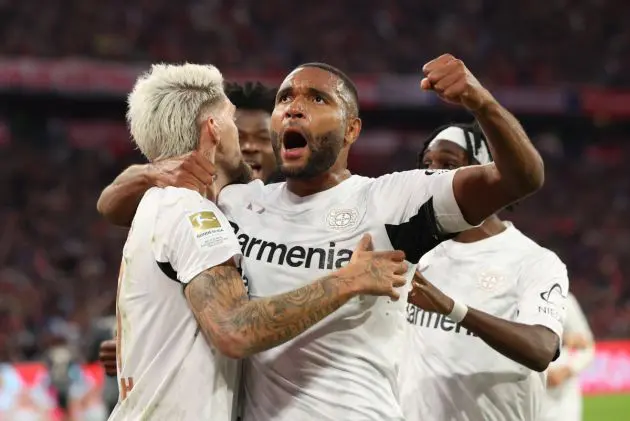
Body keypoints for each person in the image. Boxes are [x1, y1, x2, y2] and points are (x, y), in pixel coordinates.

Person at [97, 54, 546, 421]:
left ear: (351, 129)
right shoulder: (238, 204)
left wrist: (480, 102)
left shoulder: (391, 201)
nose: (294, 106)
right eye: (285, 97)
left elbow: (519, 179)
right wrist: (151, 171)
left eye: (316, 98)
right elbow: (114, 208)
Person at [107, 63, 409, 421]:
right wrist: (348, 280)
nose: (249, 139)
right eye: (233, 121)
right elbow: (236, 331)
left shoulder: (157, 202)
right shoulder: (193, 214)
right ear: (214, 129)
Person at [97, 81, 281, 381]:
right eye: (240, 134)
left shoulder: (284, 206)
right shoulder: (184, 199)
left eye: (262, 137)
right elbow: (108, 205)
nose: (249, 146)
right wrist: (150, 173)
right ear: (215, 132)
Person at [402, 122, 569, 421]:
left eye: (448, 164)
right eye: (427, 163)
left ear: (484, 173)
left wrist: (451, 308)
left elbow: (542, 348)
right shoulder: (417, 252)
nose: (431, 173)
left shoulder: (533, 261)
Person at [540, 293, 595, 421]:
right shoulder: (519, 296)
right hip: (531, 390)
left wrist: (567, 371)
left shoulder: (566, 300)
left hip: (565, 397)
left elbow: (587, 346)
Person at [224, 81, 281, 183]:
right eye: (238, 137)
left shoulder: (303, 196)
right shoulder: (194, 197)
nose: (250, 147)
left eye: (263, 138)